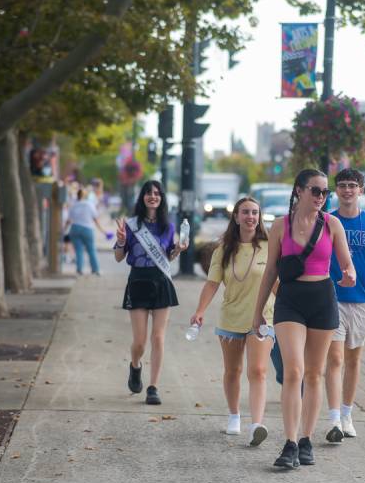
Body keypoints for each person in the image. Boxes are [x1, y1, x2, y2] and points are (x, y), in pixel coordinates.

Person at [252, 168, 356, 469]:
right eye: (316, 191)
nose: (321, 197)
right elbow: (270, 271)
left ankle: (307, 439)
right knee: (293, 371)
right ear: (299, 191)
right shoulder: (280, 226)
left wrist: (349, 275)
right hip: (290, 301)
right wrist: (258, 311)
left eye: (326, 192)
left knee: (314, 373)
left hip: (322, 299)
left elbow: (348, 266)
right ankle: (290, 443)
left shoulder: (332, 224)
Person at [190, 197, 275, 447]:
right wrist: (200, 310)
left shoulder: (270, 247)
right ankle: (234, 415)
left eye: (255, 213)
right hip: (231, 317)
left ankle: (256, 425)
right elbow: (212, 283)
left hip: (262, 318)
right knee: (233, 371)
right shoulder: (222, 250)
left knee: (258, 371)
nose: (250, 217)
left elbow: (278, 284)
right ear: (236, 217)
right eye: (245, 212)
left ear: (260, 217)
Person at [324, 168, 365, 443]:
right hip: (331, 298)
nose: (347, 190)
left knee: (353, 359)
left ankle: (347, 413)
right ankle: (334, 419)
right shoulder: (327, 221)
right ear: (336, 191)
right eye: (342, 185)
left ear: (361, 191)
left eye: (353, 185)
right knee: (335, 358)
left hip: (362, 300)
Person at [114, 180, 187, 405]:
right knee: (140, 341)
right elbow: (119, 257)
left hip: (160, 280)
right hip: (138, 280)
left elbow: (168, 257)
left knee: (158, 337)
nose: (152, 196)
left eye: (156, 193)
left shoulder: (169, 226)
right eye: (148, 193)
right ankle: (135, 366)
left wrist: (178, 250)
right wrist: (120, 241)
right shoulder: (131, 224)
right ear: (142, 197)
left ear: (162, 197)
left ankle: (153, 387)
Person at [65, 189, 108, 275]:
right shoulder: (89, 205)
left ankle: (79, 269)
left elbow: (69, 220)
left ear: (77, 195)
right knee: (91, 250)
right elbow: (95, 219)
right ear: (85, 196)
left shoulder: (73, 205)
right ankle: (95, 269)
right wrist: (103, 231)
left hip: (75, 228)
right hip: (87, 229)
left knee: (78, 250)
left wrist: (64, 229)